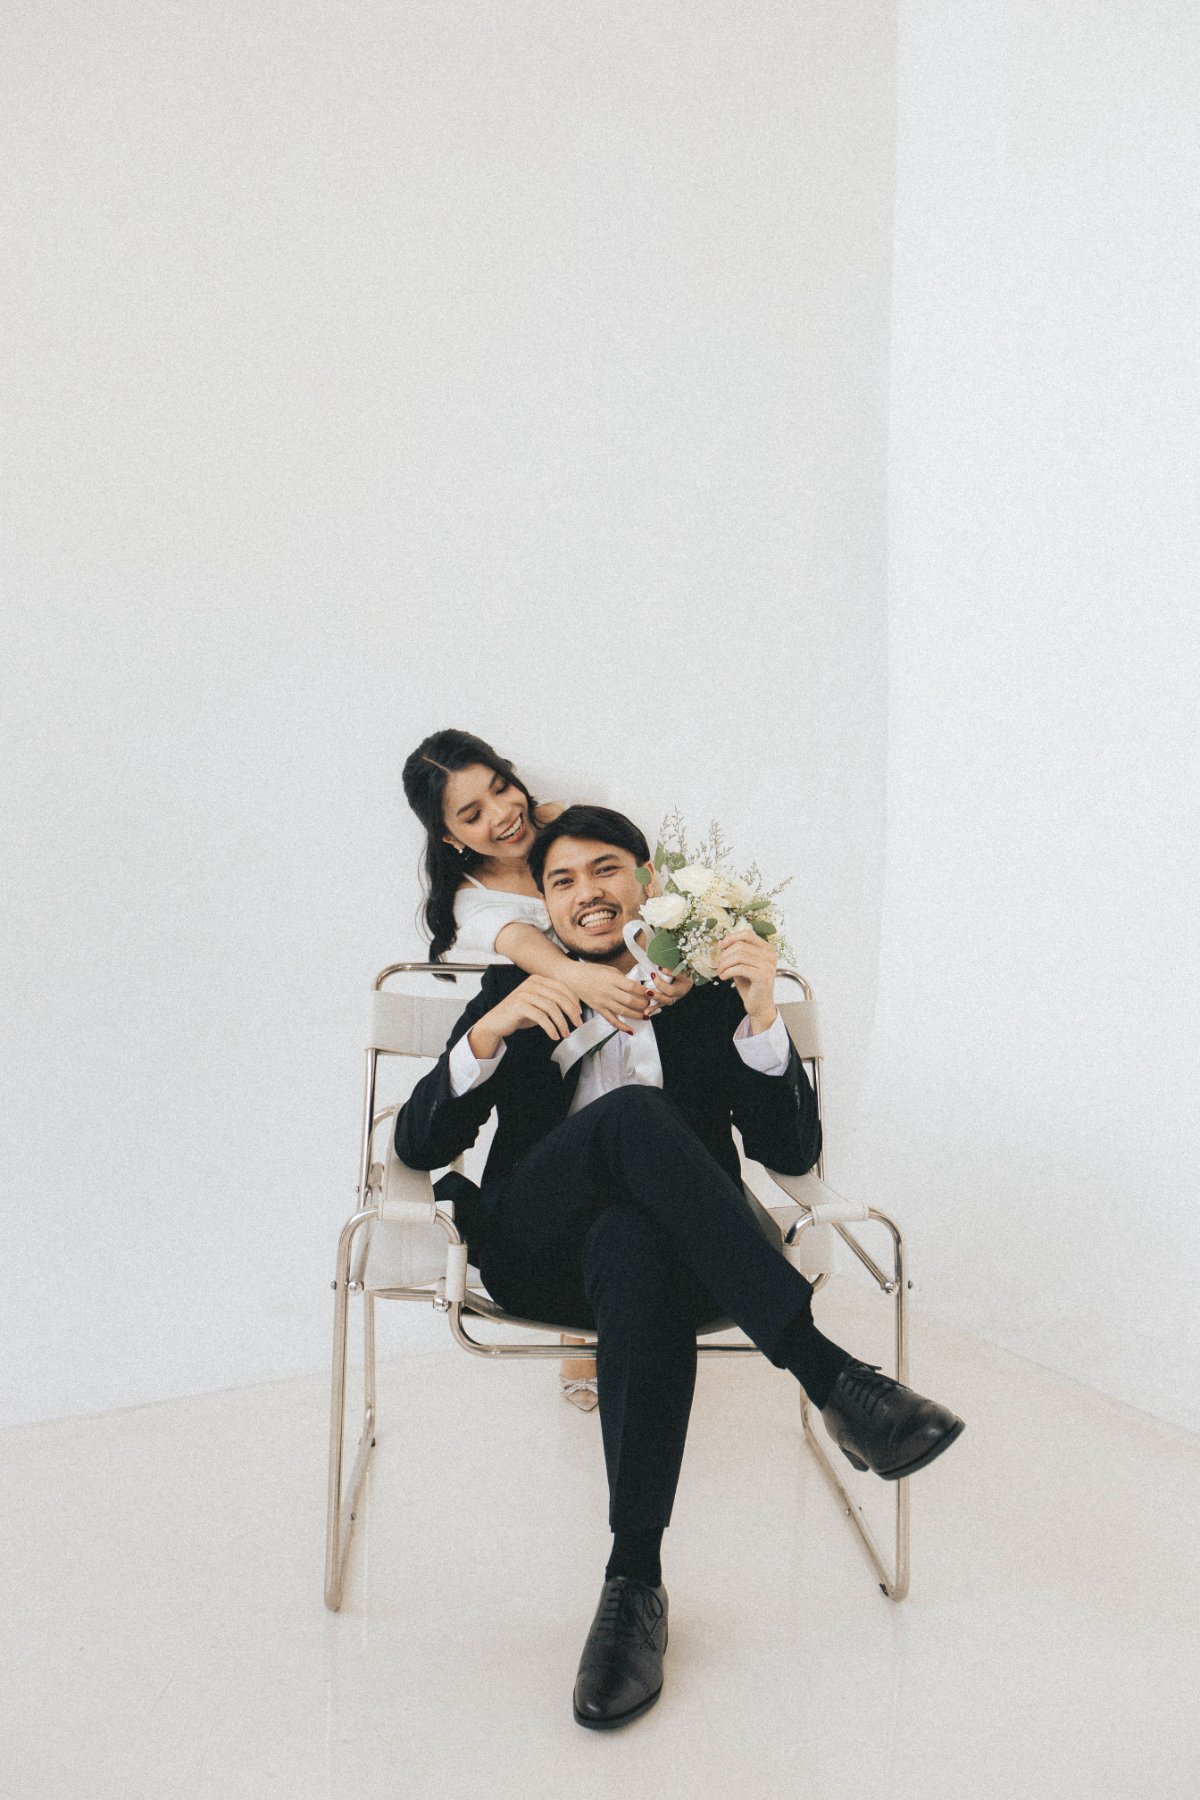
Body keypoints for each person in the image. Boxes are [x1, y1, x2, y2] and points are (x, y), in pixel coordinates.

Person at [394, 804, 965, 1731]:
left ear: (648, 883)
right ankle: (830, 1376)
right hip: (535, 1252)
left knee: (636, 1241)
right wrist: (489, 1034)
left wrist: (762, 1013)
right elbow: (418, 1146)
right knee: (630, 1117)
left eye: (606, 870)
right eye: (562, 881)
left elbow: (791, 1152)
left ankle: (633, 1587)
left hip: (684, 1264)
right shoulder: (516, 984)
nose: (587, 893)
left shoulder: (703, 992)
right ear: (545, 904)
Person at [401, 730, 692, 1411]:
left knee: (636, 1162)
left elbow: (646, 888)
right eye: (472, 814)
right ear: (448, 838)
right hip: (546, 1176)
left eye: (501, 788)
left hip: (655, 1213)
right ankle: (585, 1331)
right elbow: (539, 955)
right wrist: (516, 1014)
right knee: (610, 1115)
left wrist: (669, 963)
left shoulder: (568, 827)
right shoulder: (481, 912)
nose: (502, 815)